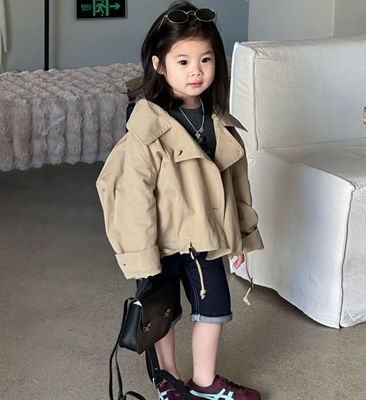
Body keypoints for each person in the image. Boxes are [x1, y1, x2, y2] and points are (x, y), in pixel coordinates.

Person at [96, 2, 264, 399]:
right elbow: (131, 197)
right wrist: (140, 254)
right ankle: (168, 380)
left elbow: (235, 184)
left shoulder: (217, 121)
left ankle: (205, 382)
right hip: (162, 241)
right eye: (183, 61)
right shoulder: (147, 129)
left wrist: (240, 235)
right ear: (159, 64)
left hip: (206, 237)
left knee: (215, 308)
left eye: (206, 59)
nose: (196, 71)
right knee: (161, 312)